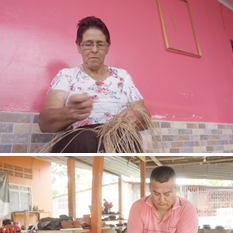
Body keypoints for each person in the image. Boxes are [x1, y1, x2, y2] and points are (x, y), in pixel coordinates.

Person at [39, 16, 151, 153]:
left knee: (126, 138)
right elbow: (44, 123)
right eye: (88, 44)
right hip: (79, 139)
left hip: (119, 137)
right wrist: (69, 113)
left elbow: (144, 114)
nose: (94, 49)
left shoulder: (123, 76)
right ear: (79, 46)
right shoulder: (66, 76)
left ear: (108, 47)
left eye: (100, 44)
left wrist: (136, 115)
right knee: (86, 138)